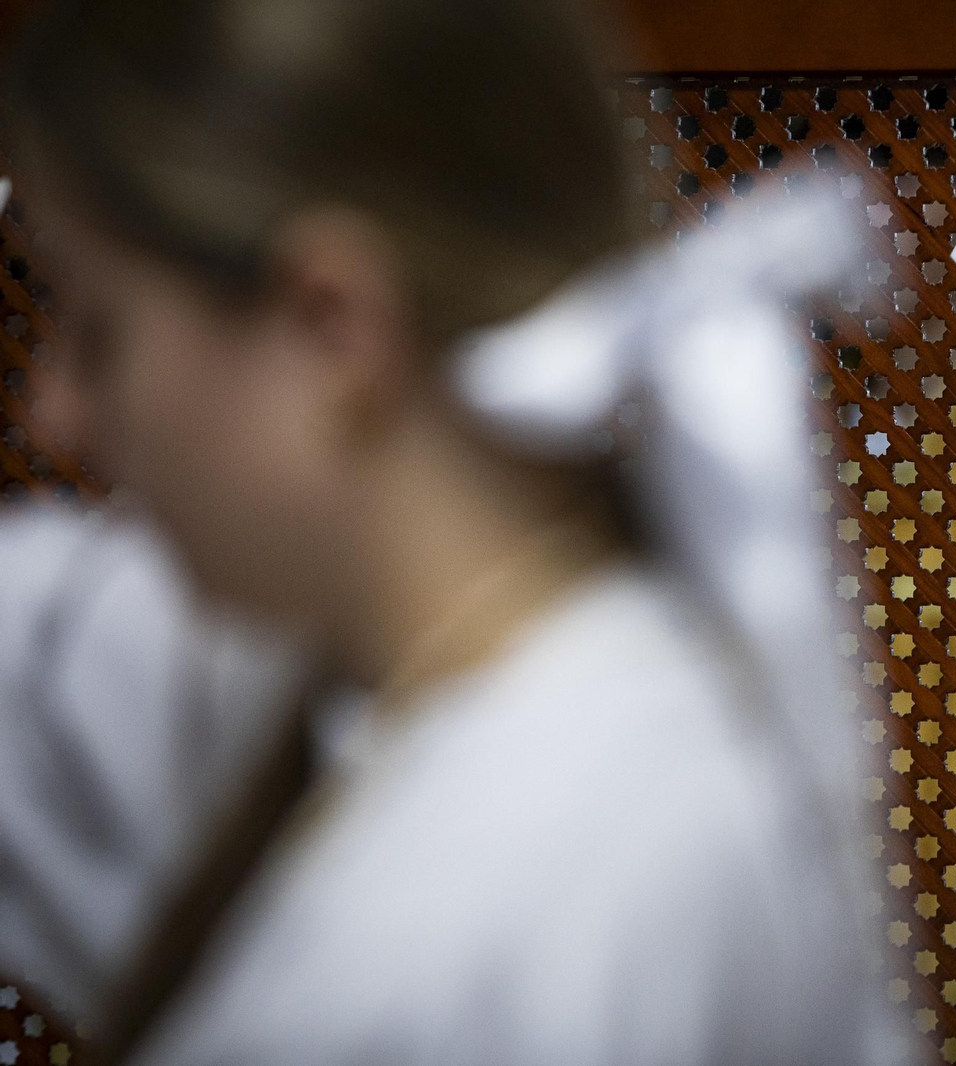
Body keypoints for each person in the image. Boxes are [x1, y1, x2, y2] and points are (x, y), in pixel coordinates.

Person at [0, 0, 892, 1063]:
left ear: (333, 329)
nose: (51, 413)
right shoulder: (544, 720)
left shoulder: (495, 924)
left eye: (99, 329)